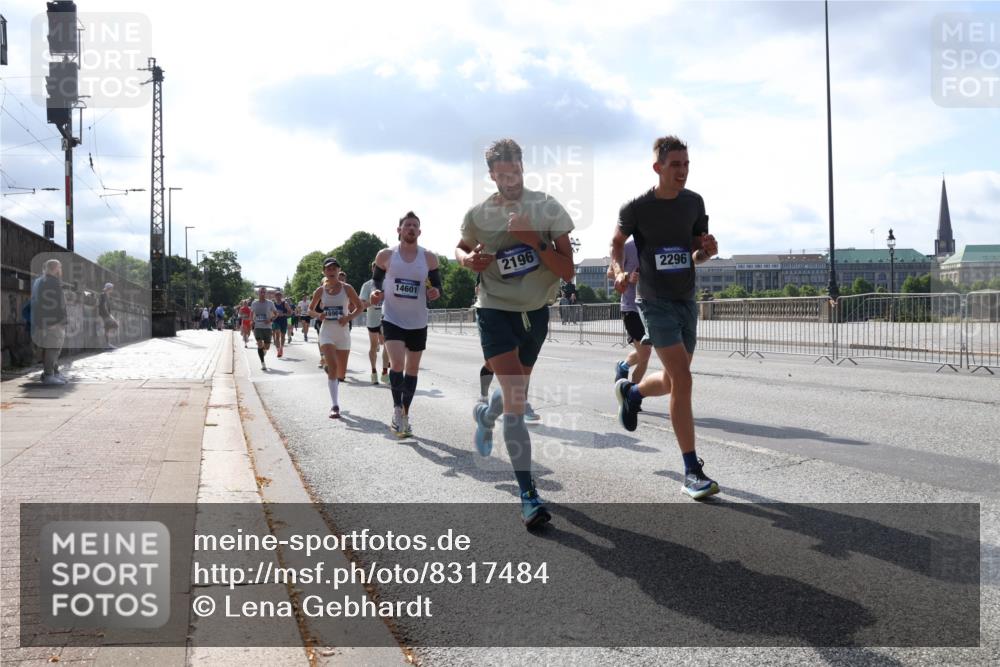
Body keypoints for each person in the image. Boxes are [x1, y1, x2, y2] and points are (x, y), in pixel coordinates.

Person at [455, 138, 575, 528]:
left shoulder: (546, 206)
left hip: (535, 312)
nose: (510, 181)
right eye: (502, 175)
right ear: (491, 174)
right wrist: (469, 260)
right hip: (493, 309)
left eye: (516, 172)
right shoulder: (479, 214)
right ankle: (528, 494)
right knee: (516, 399)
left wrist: (532, 240)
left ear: (524, 167)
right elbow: (460, 246)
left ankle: (485, 415)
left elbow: (567, 270)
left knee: (512, 398)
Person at [611, 135, 720, 500]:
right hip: (654, 301)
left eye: (686, 164)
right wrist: (618, 271)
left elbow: (694, 254)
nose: (683, 171)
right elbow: (615, 244)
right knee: (684, 379)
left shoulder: (695, 203)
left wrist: (706, 253)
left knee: (674, 382)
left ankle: (632, 391)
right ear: (658, 167)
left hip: (686, 300)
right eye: (675, 164)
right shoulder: (637, 208)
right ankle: (691, 470)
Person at [369, 211, 442, 438]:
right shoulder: (386, 255)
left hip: (418, 321)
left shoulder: (429, 258)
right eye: (407, 225)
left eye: (415, 226)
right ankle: (397, 410)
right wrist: (375, 293)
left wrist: (434, 291)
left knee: (412, 369)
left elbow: (438, 287)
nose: (411, 228)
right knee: (398, 364)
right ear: (399, 230)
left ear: (419, 232)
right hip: (392, 318)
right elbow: (376, 281)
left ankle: (406, 414)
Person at [308, 258, 363, 419]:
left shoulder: (347, 288)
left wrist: (348, 318)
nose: (331, 271)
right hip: (326, 333)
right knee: (333, 366)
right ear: (324, 272)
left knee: (341, 374)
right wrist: (319, 315)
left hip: (343, 333)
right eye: (328, 269)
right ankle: (335, 405)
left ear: (339, 271)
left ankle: (332, 372)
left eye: (334, 269)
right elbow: (310, 310)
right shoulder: (320, 291)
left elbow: (360, 307)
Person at [611, 238, 652, 383]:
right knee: (645, 352)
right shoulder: (627, 246)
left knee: (644, 357)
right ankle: (625, 368)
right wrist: (627, 276)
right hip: (631, 307)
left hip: (652, 307)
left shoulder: (658, 242)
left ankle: (631, 395)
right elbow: (610, 273)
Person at [32, 259, 68, 385]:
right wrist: (55, 323)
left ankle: (53, 372)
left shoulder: (39, 281)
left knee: (51, 349)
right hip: (53, 323)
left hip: (45, 321)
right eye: (60, 267)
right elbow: (55, 305)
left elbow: (36, 303)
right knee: (52, 348)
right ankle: (49, 375)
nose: (61, 270)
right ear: (56, 268)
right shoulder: (51, 282)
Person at [358, 262, 390, 385]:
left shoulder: (389, 283)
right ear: (372, 269)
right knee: (373, 346)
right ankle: (373, 371)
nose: (379, 270)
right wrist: (373, 301)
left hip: (386, 319)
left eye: (381, 268)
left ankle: (385, 373)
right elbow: (361, 305)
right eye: (376, 268)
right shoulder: (367, 285)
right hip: (372, 320)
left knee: (386, 346)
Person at [251, 287, 278, 370]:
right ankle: (263, 363)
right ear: (258, 293)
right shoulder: (254, 303)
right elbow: (251, 313)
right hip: (258, 327)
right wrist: (251, 322)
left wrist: (270, 320)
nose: (262, 294)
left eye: (264, 292)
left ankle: (264, 351)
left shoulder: (270, 303)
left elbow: (276, 314)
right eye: (261, 292)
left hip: (267, 327)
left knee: (267, 347)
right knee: (259, 344)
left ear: (266, 294)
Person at [98, 282, 119, 349]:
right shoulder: (103, 295)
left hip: (107, 314)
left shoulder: (107, 295)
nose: (112, 289)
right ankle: (107, 344)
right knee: (115, 325)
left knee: (108, 328)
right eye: (111, 288)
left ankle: (107, 344)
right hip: (105, 314)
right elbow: (103, 306)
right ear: (108, 288)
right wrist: (109, 315)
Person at [272, 291, 291, 357]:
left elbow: (290, 313)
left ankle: (281, 348)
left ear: (281, 296)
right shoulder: (273, 304)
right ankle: (278, 350)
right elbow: (270, 313)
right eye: (277, 295)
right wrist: (274, 316)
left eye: (279, 295)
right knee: (277, 335)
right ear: (275, 296)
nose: (278, 296)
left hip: (283, 321)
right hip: (276, 321)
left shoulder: (285, 303)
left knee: (282, 336)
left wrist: (283, 314)